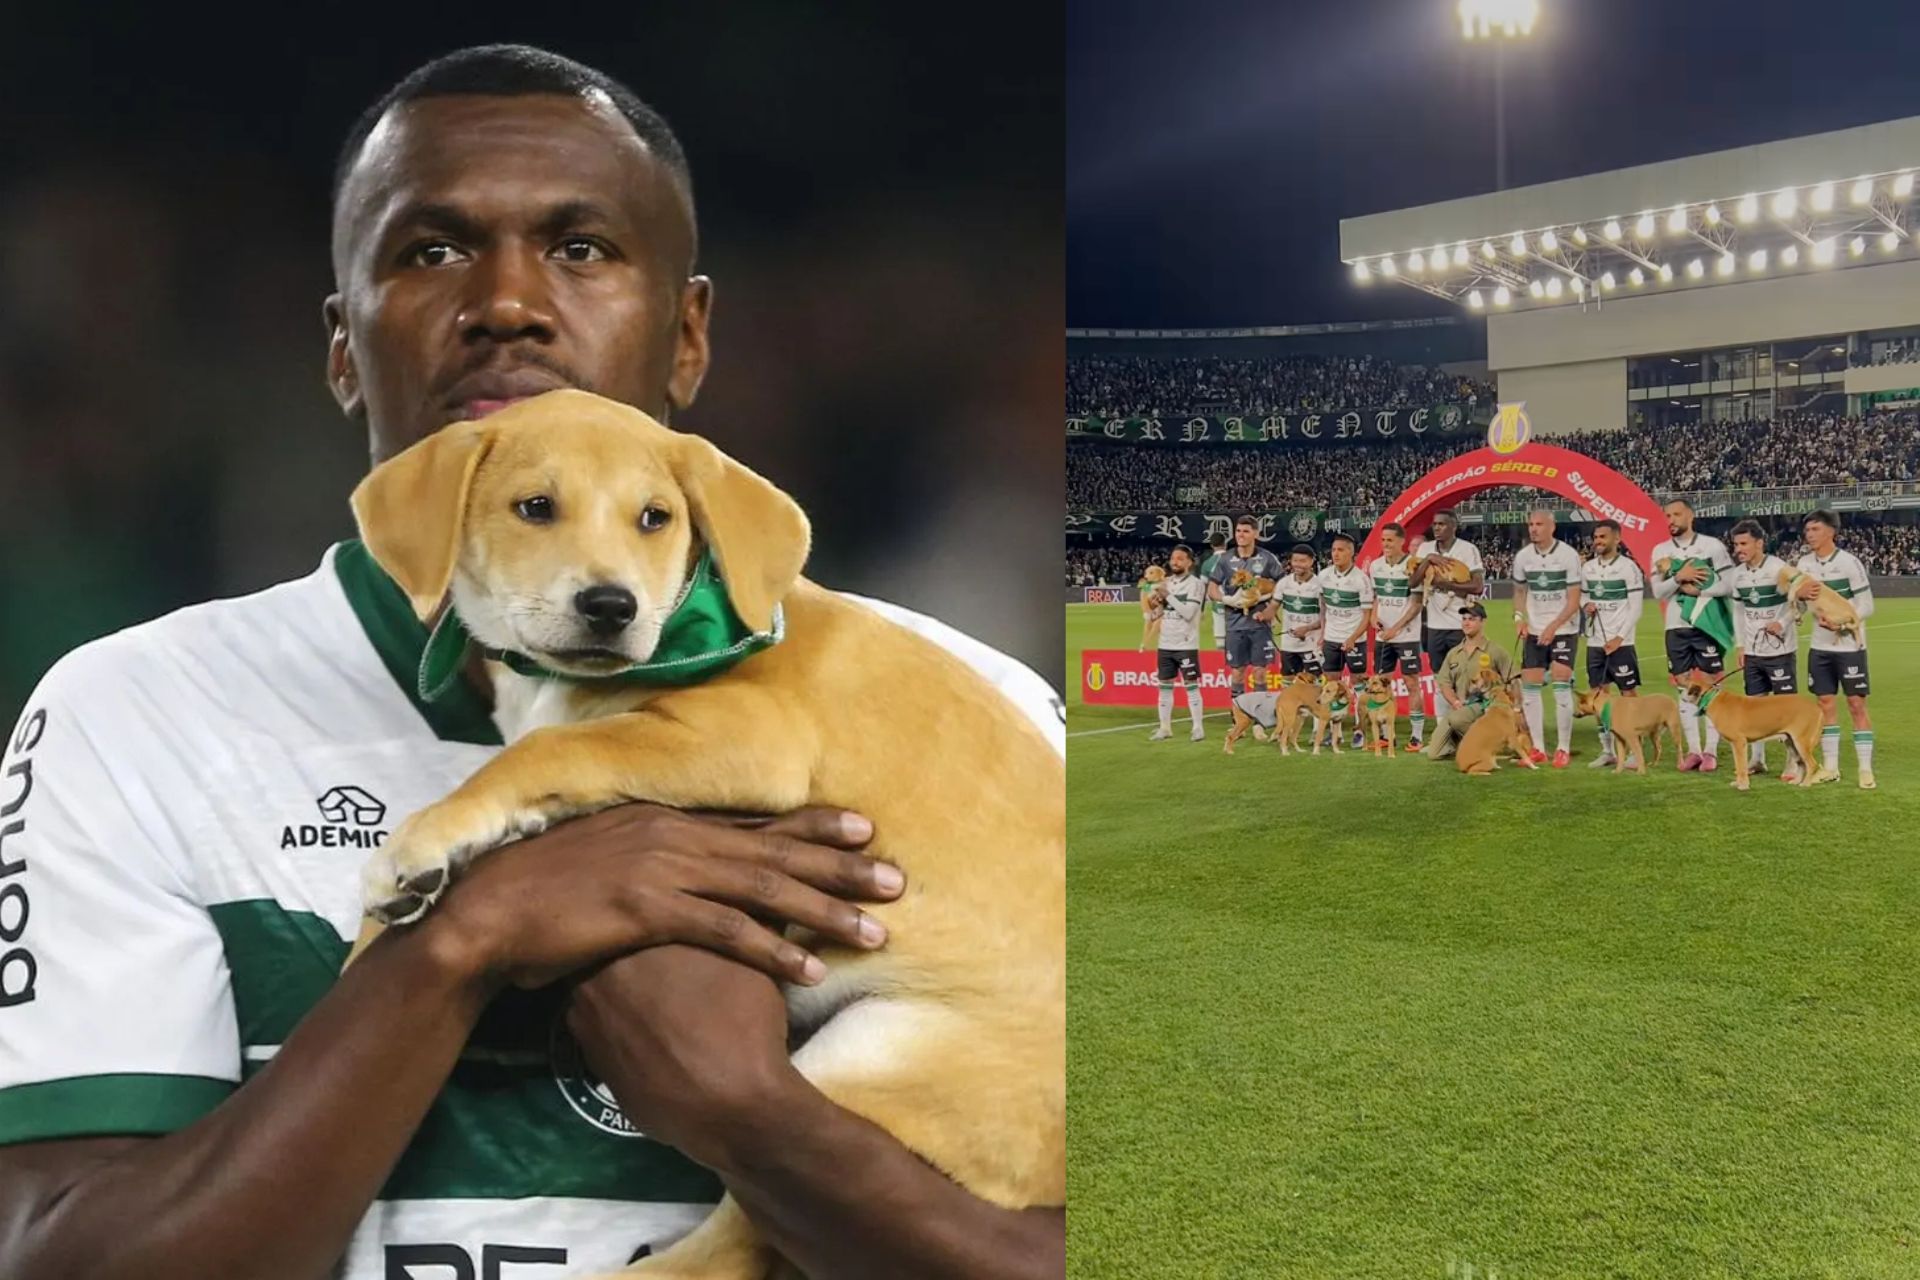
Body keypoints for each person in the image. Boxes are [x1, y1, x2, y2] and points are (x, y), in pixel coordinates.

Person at [0, 46, 1065, 1280]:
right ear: (344, 348)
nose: (508, 300)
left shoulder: (973, 706)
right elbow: (62, 1257)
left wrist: (755, 1119)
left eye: (583, 249)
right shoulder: (134, 713)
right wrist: (466, 937)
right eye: (431, 250)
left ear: (689, 340)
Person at [1650, 498, 1734, 773]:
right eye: (1667, 516)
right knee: (1684, 687)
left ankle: (1711, 751)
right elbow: (1657, 592)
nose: (1671, 520)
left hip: (1706, 623)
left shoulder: (1712, 546)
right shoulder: (1660, 550)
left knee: (1710, 685)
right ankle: (1694, 751)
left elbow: (1728, 584)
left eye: (1676, 514)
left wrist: (1699, 591)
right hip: (1675, 626)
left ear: (1691, 516)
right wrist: (1678, 578)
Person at [1794, 509, 1875, 788]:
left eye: (1815, 529)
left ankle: (1865, 769)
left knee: (1856, 704)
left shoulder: (1850, 563)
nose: (1809, 535)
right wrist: (1798, 596)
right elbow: (1800, 606)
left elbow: (1867, 606)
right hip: (1819, 646)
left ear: (1831, 532)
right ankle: (1830, 768)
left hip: (1850, 646)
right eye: (1807, 530)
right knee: (1825, 704)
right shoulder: (1803, 564)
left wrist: (1841, 624)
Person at [1725, 518, 1801, 782]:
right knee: (1754, 707)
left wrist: (1782, 622)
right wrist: (1740, 644)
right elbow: (1738, 611)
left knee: (1786, 709)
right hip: (1753, 652)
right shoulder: (1738, 575)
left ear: (1760, 543)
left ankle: (1793, 761)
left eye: (1744, 543)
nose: (1739, 549)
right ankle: (1758, 759)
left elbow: (1797, 604)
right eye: (1736, 544)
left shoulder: (1780, 569)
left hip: (1780, 651)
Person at [1511, 509, 1584, 769]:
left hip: (1563, 629)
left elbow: (1574, 600)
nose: (1533, 528)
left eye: (1539, 524)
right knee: (1530, 687)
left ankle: (1562, 748)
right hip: (1534, 630)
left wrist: (1554, 626)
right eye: (1530, 524)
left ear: (1552, 527)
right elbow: (1519, 591)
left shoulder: (1568, 555)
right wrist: (1519, 618)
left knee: (1561, 682)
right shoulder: (1523, 557)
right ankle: (1539, 748)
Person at [1579, 519, 1646, 769]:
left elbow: (1636, 607)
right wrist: (1585, 604)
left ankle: (1634, 751)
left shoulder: (1629, 568)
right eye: (1595, 537)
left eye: (1603, 537)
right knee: (1598, 696)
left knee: (1628, 696)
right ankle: (1607, 750)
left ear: (1617, 539)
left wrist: (1620, 637)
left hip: (1622, 643)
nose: (1598, 541)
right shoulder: (1588, 569)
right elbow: (1583, 595)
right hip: (1595, 642)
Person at [1415, 508, 1485, 727]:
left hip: (1460, 625)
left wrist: (1445, 584)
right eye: (1435, 524)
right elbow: (1412, 581)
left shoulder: (1467, 549)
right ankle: (1442, 729)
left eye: (1442, 524)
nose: (1437, 528)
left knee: (1464, 678)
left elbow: (1478, 586)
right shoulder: (1425, 548)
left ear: (1454, 527)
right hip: (1434, 626)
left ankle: (1467, 726)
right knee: (1440, 679)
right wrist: (1427, 560)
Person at [1423, 603, 1516, 761]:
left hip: (1485, 706)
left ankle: (1494, 746)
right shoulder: (1454, 653)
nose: (1466, 623)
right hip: (1460, 707)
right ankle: (1466, 744)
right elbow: (1444, 683)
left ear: (1483, 621)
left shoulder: (1495, 650)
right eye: (1464, 619)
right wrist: (1455, 702)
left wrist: (1516, 708)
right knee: (1434, 753)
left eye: (1472, 619)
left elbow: (1513, 679)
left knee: (1458, 719)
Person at [1206, 517, 1284, 700]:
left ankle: (1259, 721)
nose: (1241, 535)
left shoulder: (1267, 558)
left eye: (1246, 531)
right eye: (1238, 531)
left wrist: (1270, 606)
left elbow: (1283, 584)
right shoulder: (1225, 559)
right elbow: (1211, 587)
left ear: (1256, 534)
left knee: (1259, 672)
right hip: (1234, 623)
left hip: (1260, 624)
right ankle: (1237, 717)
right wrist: (1227, 599)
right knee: (1237, 673)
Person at [1367, 522, 1425, 751]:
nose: (1385, 544)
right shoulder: (1376, 566)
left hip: (1407, 635)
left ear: (1402, 541)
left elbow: (1417, 604)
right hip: (1383, 637)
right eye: (1383, 540)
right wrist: (1373, 617)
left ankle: (1417, 736)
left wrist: (1397, 628)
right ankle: (1384, 735)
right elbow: (1376, 597)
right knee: (1381, 683)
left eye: (1390, 540)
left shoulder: (1411, 566)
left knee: (1412, 683)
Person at [1315, 532, 1373, 749]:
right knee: (1331, 687)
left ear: (1351, 553)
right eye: (1333, 550)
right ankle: (1334, 732)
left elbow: (1366, 616)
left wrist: (1353, 638)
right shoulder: (1324, 576)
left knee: (1358, 687)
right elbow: (1323, 607)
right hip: (1331, 639)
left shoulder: (1361, 580)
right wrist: (1322, 632)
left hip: (1354, 640)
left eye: (1340, 550)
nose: (1335, 554)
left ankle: (1360, 730)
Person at [1149, 544, 1207, 742]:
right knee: (1164, 686)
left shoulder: (1195, 584)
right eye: (1173, 558)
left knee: (1191, 685)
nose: (1175, 562)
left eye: (1180, 558)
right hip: (1165, 643)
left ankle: (1198, 727)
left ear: (1189, 562)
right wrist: (1155, 607)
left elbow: (1189, 613)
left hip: (1185, 644)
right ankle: (1165, 728)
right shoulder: (1167, 582)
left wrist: (1167, 596)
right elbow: (1159, 613)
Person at [1275, 543, 1324, 682]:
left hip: (1311, 643)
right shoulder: (1284, 583)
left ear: (1311, 561)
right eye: (1295, 560)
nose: (1298, 564)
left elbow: (1326, 617)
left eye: (1303, 561)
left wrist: (1307, 628)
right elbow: (1273, 605)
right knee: (1288, 681)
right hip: (1288, 644)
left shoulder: (1319, 585)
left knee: (1314, 682)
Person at [1199, 533, 1230, 655]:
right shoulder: (1234, 560)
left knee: (1220, 643)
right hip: (1235, 605)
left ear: (1212, 546)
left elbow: (1202, 588)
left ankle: (1221, 670)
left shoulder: (1207, 564)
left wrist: (1201, 610)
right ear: (1225, 544)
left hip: (1217, 604)